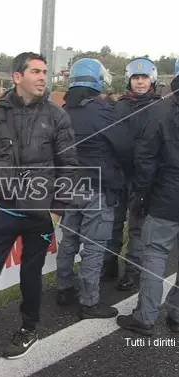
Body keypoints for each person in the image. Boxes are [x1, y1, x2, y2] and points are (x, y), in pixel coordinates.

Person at [0, 52, 78, 359]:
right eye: (35, 71)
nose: (42, 77)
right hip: (3, 211)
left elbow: (69, 166)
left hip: (40, 214)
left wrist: (56, 209)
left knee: (30, 274)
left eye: (45, 72)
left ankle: (29, 329)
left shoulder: (57, 115)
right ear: (17, 77)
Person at [56, 58, 131, 318]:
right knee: (94, 247)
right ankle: (89, 302)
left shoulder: (63, 111)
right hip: (97, 189)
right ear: (98, 80)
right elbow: (124, 146)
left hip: (68, 188)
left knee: (68, 241)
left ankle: (64, 288)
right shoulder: (103, 110)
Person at [116, 58, 179, 335]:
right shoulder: (160, 108)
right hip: (168, 191)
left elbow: (146, 158)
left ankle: (145, 317)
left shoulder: (161, 110)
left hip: (166, 196)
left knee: (154, 253)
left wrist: (141, 195)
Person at [104, 57, 161, 289]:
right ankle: (108, 266)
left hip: (144, 178)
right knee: (113, 222)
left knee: (138, 227)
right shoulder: (119, 106)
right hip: (118, 175)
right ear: (129, 80)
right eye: (135, 78)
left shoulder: (160, 107)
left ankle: (133, 271)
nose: (139, 82)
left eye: (144, 78)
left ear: (152, 80)